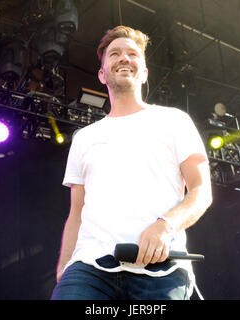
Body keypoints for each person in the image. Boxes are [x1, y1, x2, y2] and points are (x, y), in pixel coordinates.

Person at [51, 25, 212, 300]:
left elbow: (200, 190)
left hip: (161, 270)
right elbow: (76, 211)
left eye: (133, 54)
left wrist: (165, 225)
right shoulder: (84, 138)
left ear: (145, 72)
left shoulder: (174, 120)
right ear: (102, 74)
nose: (124, 58)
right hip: (89, 268)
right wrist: (64, 269)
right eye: (115, 54)